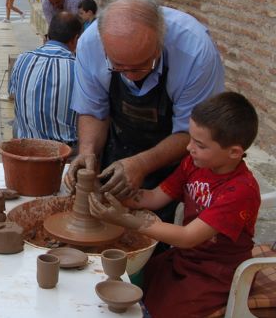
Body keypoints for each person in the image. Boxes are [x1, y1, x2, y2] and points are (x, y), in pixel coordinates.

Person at [88, 92, 260, 318]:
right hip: (184, 257)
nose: (189, 148)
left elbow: (188, 236)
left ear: (234, 152)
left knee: (164, 311)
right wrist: (107, 191)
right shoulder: (194, 164)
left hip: (216, 271)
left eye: (199, 144)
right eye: (190, 138)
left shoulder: (240, 190)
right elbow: (154, 197)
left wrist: (126, 220)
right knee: (137, 282)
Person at [64, 0, 225, 224]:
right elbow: (93, 110)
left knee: (157, 234)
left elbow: (193, 132)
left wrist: (142, 163)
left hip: (174, 153)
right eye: (119, 66)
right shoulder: (91, 44)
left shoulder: (195, 53)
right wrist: (87, 151)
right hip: (120, 142)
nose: (129, 75)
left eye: (141, 66)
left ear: (160, 42)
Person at [8, 12, 81, 146]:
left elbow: (13, 94)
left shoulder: (22, 59)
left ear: (48, 34)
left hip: (27, 144)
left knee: (16, 121)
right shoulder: (78, 68)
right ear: (75, 39)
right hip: (64, 150)